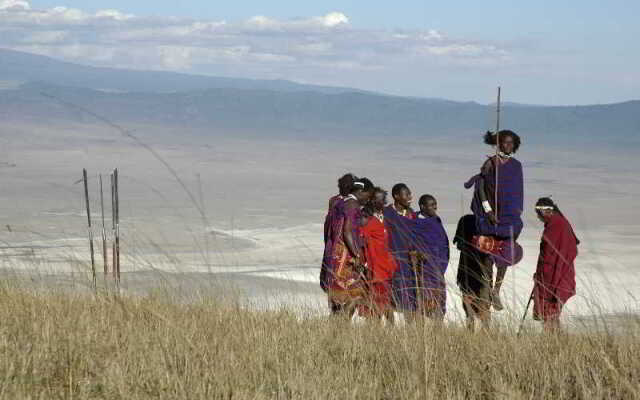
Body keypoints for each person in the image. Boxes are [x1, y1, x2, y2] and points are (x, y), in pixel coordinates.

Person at [464, 130, 524, 311]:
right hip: (490, 217)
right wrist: (488, 210)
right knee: (489, 255)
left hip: (508, 217)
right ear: (499, 143)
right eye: (505, 142)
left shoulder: (516, 165)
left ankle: (496, 290)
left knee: (505, 253)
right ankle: (488, 287)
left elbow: (518, 191)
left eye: (511, 143)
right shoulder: (491, 163)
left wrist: (515, 212)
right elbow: (481, 186)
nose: (508, 145)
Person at [326, 178, 373, 316]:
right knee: (357, 293)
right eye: (367, 196)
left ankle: (337, 328)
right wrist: (357, 255)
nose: (367, 200)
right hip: (345, 256)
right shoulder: (352, 205)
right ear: (360, 191)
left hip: (335, 254)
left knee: (339, 299)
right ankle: (343, 324)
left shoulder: (340, 202)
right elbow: (347, 231)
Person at [532, 197, 579, 332]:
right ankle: (554, 339)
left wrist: (542, 275)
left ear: (545, 212)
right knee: (551, 311)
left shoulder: (557, 225)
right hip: (559, 272)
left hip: (554, 273)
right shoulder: (559, 223)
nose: (538, 217)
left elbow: (550, 254)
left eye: (538, 213)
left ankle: (552, 339)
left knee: (549, 307)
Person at [361, 187, 397, 321]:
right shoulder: (367, 219)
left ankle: (390, 330)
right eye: (378, 199)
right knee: (375, 300)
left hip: (387, 265)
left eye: (383, 199)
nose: (382, 202)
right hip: (374, 265)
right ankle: (375, 330)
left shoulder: (385, 218)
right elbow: (362, 242)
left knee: (386, 298)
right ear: (371, 200)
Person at [412, 194, 450, 319]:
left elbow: (444, 242)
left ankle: (438, 332)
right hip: (425, 272)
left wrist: (443, 264)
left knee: (439, 304)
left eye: (435, 204)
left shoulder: (436, 220)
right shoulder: (416, 222)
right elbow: (413, 244)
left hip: (439, 270)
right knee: (426, 303)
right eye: (432, 205)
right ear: (422, 206)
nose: (435, 207)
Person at [383, 183, 418, 316]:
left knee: (409, 296)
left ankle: (410, 331)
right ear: (396, 196)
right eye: (406, 194)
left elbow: (416, 236)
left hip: (408, 263)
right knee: (388, 295)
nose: (410, 197)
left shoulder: (412, 215)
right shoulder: (387, 213)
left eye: (410, 194)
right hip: (390, 260)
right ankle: (389, 328)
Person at [320, 173, 356, 293]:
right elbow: (330, 224)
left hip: (338, 244)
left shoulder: (346, 201)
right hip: (338, 244)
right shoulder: (337, 201)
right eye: (343, 185)